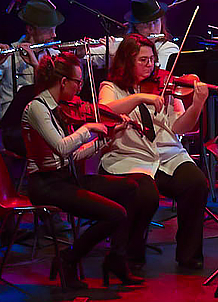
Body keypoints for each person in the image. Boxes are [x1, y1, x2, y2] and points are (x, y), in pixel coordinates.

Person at [22, 52, 149, 289]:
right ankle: (68, 260)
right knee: (115, 214)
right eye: (78, 82)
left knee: (131, 188)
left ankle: (117, 259)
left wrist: (107, 138)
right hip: (45, 185)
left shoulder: (60, 107)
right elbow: (61, 148)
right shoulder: (37, 108)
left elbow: (73, 155)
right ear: (63, 82)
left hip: (66, 178)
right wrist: (88, 127)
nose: (80, 89)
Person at [97, 34, 211, 270]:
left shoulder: (165, 84)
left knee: (196, 183)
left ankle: (189, 254)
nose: (150, 66)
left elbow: (180, 126)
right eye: (143, 60)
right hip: (130, 157)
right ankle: (130, 252)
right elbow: (105, 110)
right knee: (143, 193)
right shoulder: (111, 87)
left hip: (167, 155)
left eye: (152, 60)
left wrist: (197, 104)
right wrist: (139, 97)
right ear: (127, 62)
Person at [109, 0, 181, 66]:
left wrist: (114, 58)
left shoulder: (168, 48)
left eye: (156, 22)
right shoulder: (120, 45)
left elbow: (157, 74)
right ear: (136, 26)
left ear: (161, 21)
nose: (152, 28)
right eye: (146, 23)